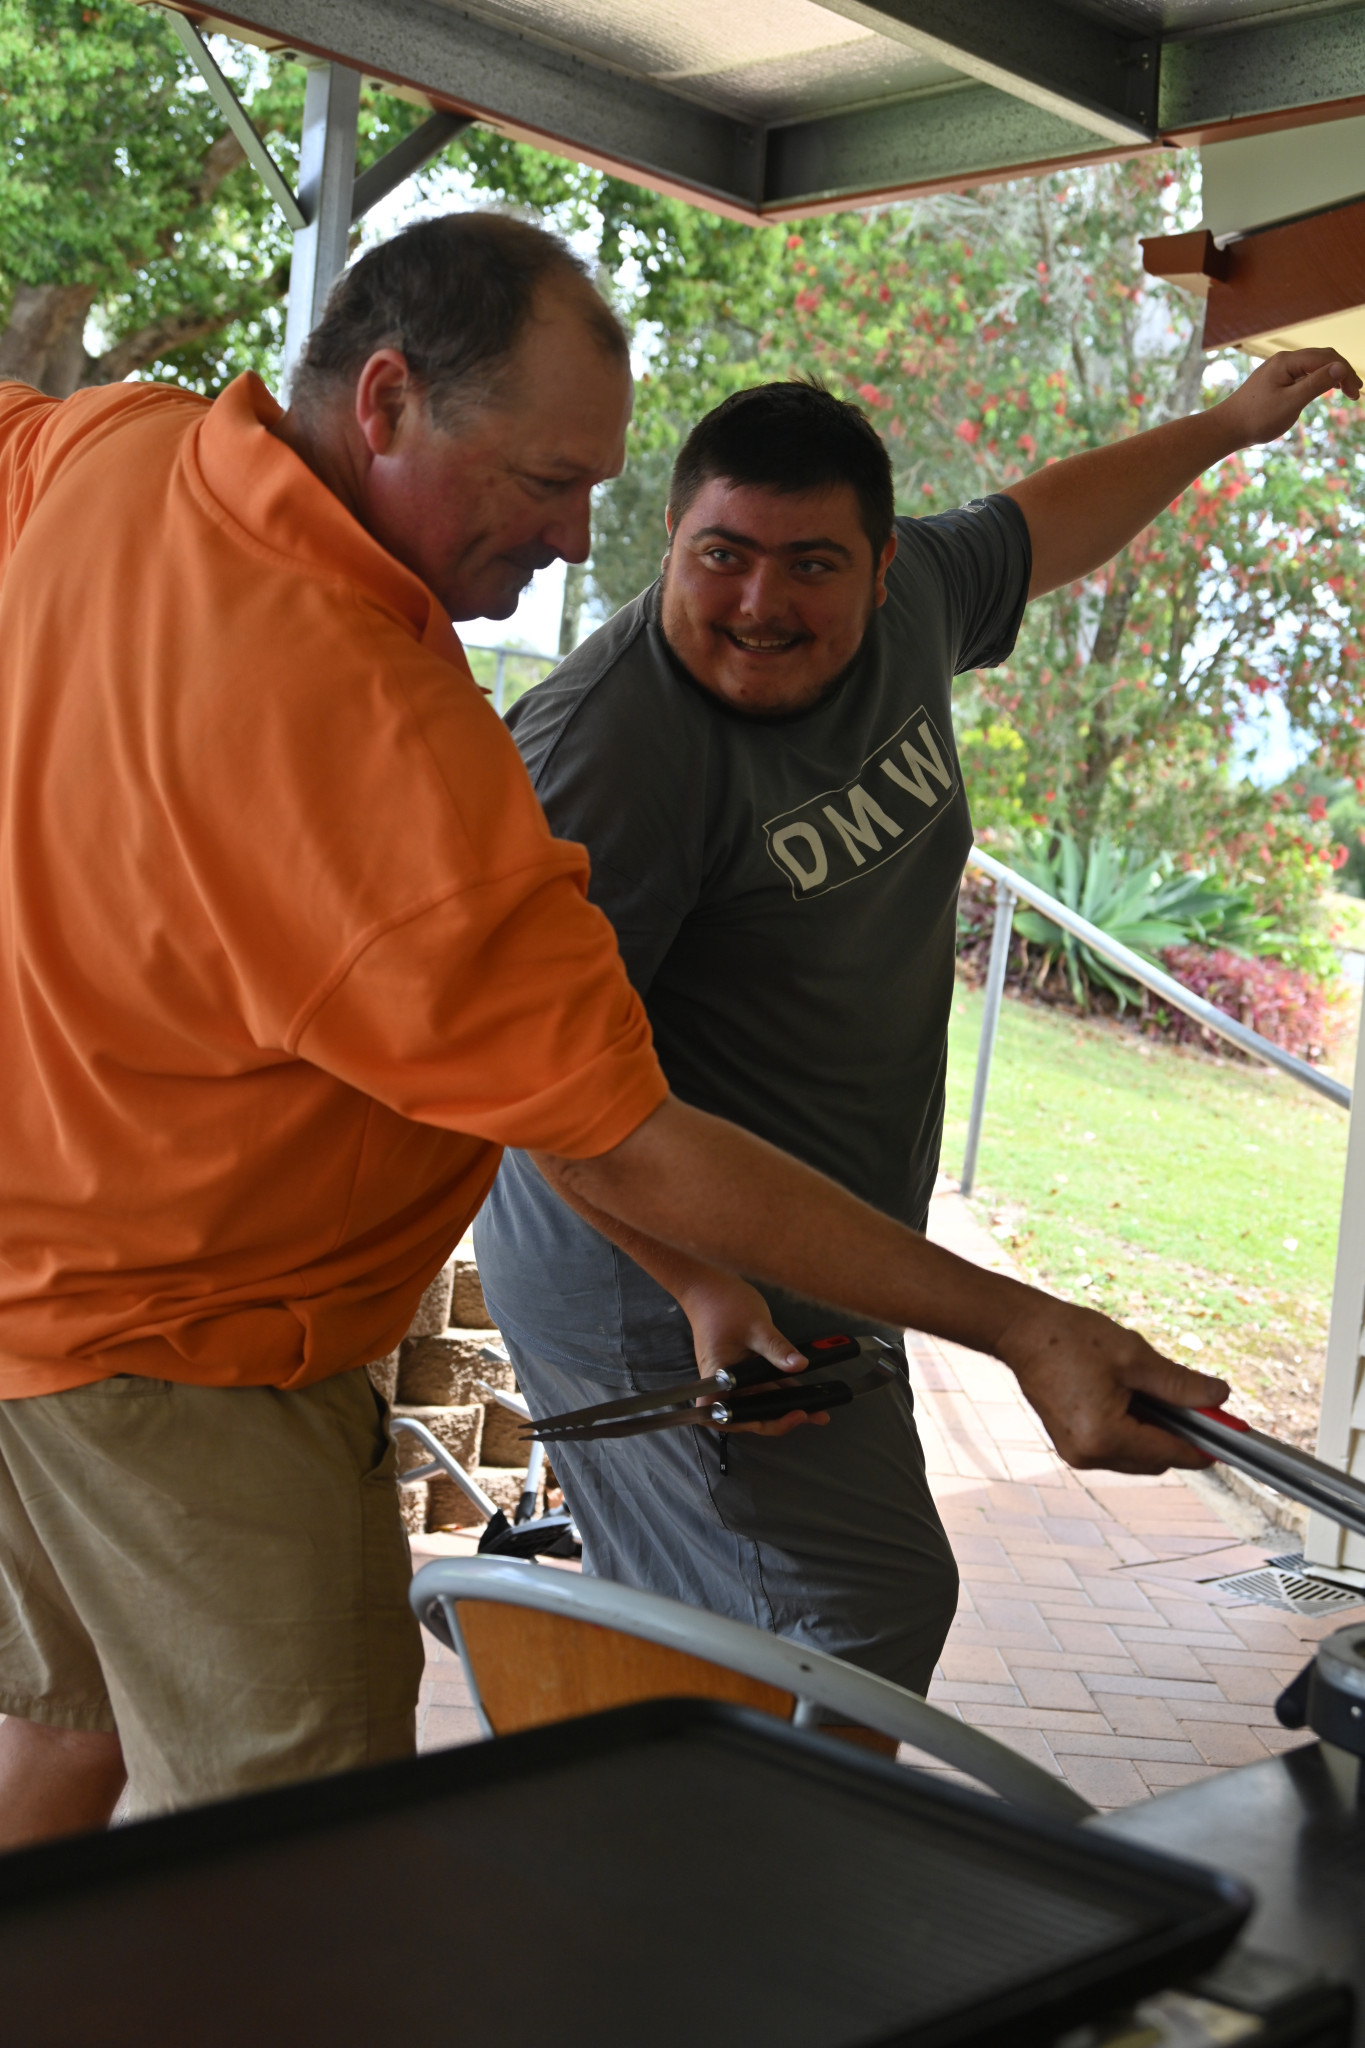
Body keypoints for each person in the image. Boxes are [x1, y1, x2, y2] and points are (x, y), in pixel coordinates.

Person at [0, 207, 1236, 1849]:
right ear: (384, 403)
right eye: (545, 484)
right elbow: (622, 1137)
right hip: (188, 1360)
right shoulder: (392, 747)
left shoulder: (117, 447)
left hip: (37, 1303)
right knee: (295, 1881)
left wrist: (1227, 424)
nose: (580, 541)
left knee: (68, 1741)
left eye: (595, 486)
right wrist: (1019, 1325)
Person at [475, 355, 1358, 1693]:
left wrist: (1228, 427)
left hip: (826, 1234)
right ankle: (759, 1894)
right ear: (671, 541)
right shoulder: (604, 755)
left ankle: (693, 1882)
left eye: (811, 565)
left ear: (883, 568)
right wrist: (703, 1285)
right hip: (656, 1264)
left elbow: (1036, 522)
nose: (760, 603)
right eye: (721, 555)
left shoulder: (914, 611)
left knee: (762, 1625)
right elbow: (540, 1096)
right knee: (841, 1613)